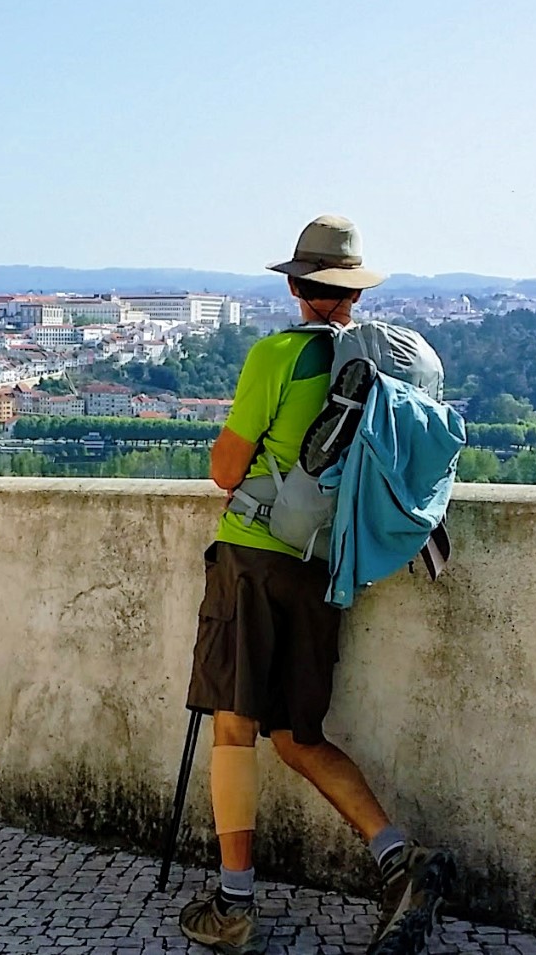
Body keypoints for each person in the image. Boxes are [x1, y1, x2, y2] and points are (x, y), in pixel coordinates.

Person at [178, 216, 456, 955]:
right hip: (326, 566)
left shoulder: (278, 355)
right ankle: (398, 855)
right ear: (352, 293)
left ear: (297, 287)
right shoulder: (391, 367)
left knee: (234, 729)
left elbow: (224, 471)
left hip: (253, 559)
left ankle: (232, 903)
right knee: (298, 734)